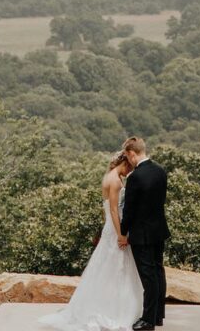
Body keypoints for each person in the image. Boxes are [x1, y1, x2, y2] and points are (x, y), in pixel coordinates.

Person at [36, 151, 144, 331]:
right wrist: (121, 235)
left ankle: (104, 305)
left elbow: (107, 210)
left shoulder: (107, 177)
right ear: (124, 163)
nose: (129, 172)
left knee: (106, 268)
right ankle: (116, 310)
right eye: (130, 168)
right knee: (118, 268)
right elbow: (114, 210)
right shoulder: (116, 181)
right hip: (115, 228)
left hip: (109, 227)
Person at [118, 136, 170, 331]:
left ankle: (147, 319)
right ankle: (158, 315)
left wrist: (123, 232)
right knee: (158, 271)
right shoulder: (160, 171)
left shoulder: (135, 177)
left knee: (148, 276)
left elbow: (130, 210)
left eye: (127, 156)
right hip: (159, 229)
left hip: (142, 233)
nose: (128, 161)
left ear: (132, 154)